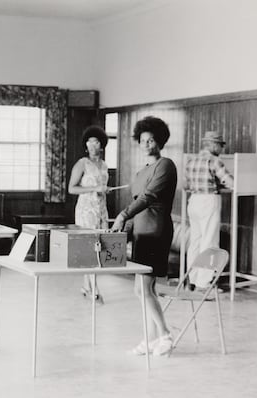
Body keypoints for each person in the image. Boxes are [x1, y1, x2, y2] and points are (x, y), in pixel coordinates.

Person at [111, 116, 176, 357]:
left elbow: (147, 198)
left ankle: (165, 335)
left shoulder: (166, 165)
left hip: (156, 231)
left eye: (152, 140)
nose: (147, 144)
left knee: (145, 288)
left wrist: (122, 215)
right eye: (143, 140)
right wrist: (125, 227)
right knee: (141, 290)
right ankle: (151, 340)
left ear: (160, 141)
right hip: (140, 231)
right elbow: (136, 201)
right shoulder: (142, 171)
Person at [184, 131, 234, 287]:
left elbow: (186, 185)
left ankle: (191, 279)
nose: (221, 149)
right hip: (209, 200)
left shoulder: (191, 161)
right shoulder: (214, 161)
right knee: (209, 242)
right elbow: (231, 183)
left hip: (193, 201)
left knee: (195, 242)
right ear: (213, 145)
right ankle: (204, 282)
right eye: (220, 145)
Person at [68, 126, 111, 303]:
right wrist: (94, 188)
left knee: (99, 247)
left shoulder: (104, 165)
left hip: (101, 210)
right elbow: (71, 188)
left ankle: (87, 285)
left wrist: (104, 190)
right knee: (89, 248)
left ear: (102, 145)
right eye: (89, 141)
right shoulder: (82, 163)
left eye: (96, 141)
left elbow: (102, 186)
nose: (93, 145)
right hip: (86, 211)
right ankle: (93, 287)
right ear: (85, 145)